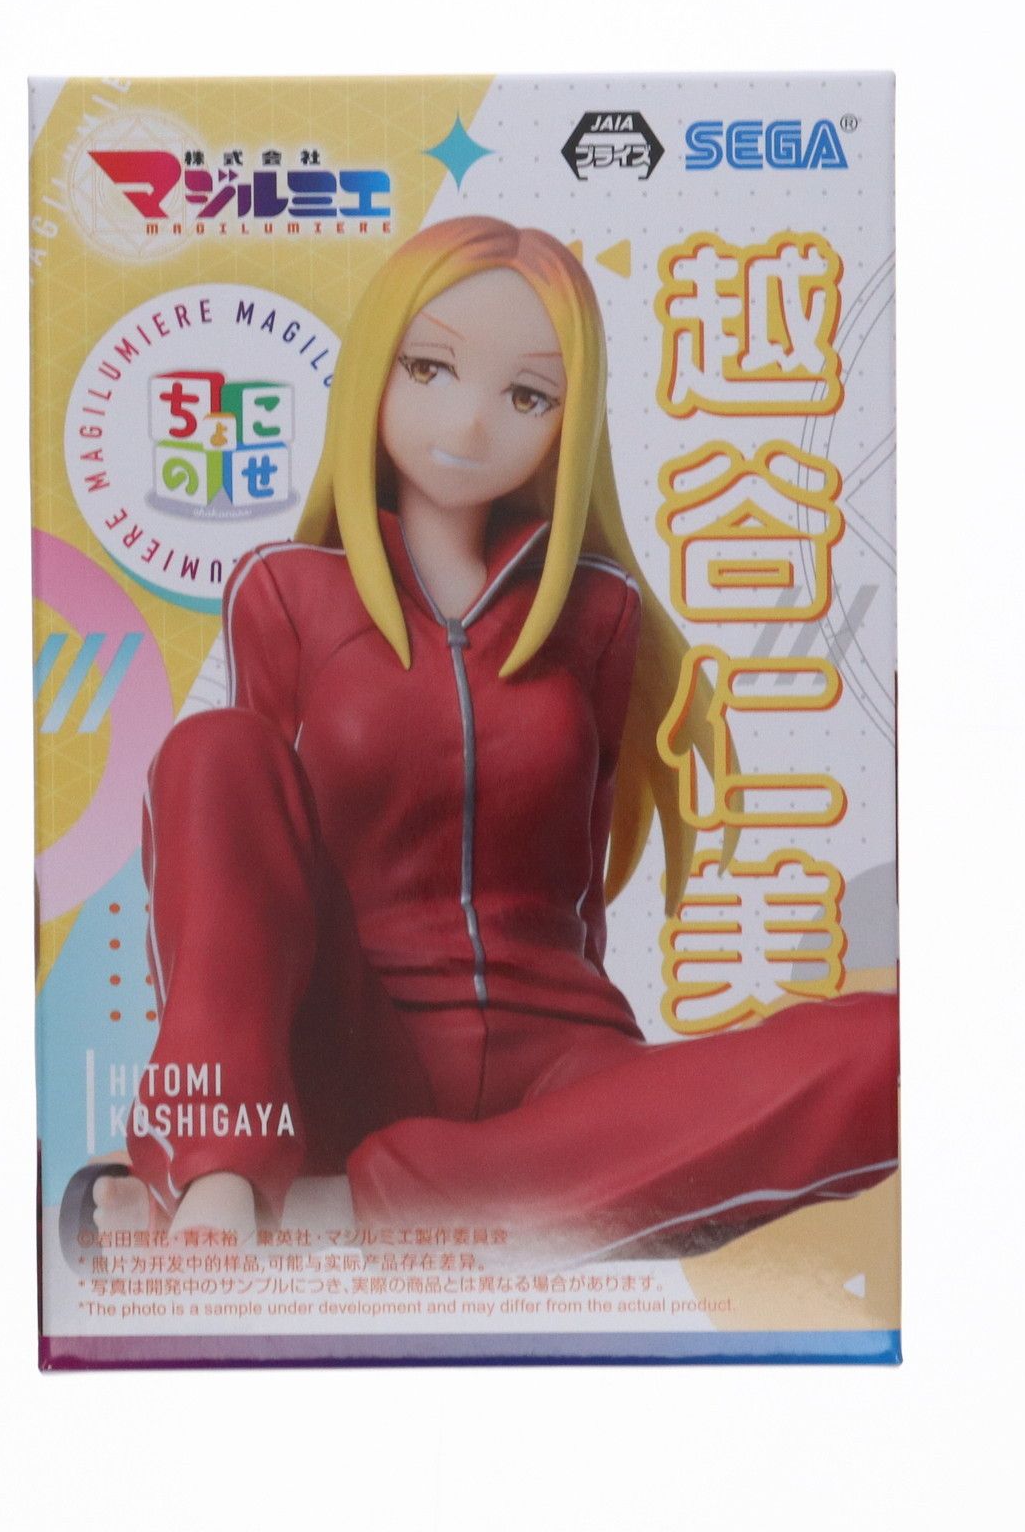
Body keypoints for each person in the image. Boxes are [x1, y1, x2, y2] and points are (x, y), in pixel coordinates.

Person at [91, 216, 897, 1265]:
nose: (468, 424)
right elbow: (232, 891)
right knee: (212, 752)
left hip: (561, 1067)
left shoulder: (599, 616)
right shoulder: (287, 594)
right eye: (428, 369)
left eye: (526, 396)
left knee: (896, 1049)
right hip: (353, 1039)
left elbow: (584, 883)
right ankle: (220, 1182)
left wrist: (642, 1116)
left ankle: (353, 1215)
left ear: (570, 421)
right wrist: (222, 1126)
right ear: (374, 371)